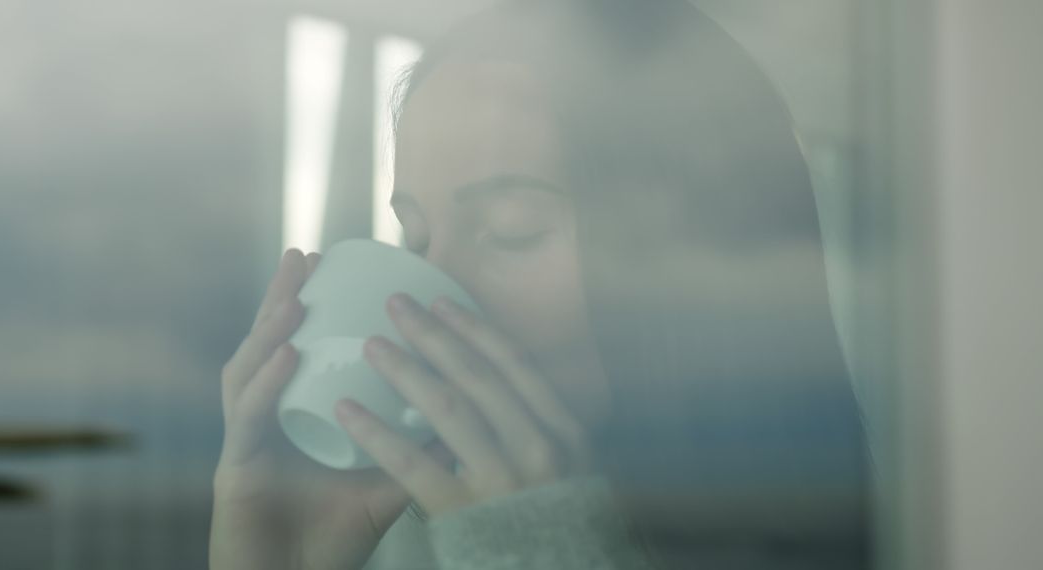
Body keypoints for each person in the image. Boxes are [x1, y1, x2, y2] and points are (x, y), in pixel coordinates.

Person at [210, 1, 871, 568]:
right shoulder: (417, 535)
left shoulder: (927, 532)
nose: (426, 297)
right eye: (415, 240)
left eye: (511, 231)